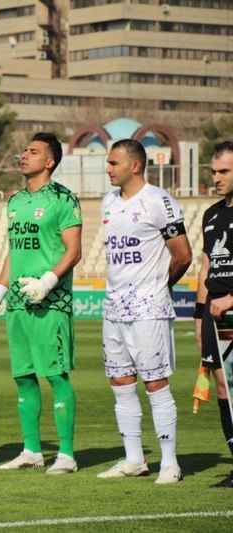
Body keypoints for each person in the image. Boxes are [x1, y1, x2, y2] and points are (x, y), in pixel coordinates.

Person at [0, 132, 82, 474]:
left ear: (50, 161)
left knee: (55, 375)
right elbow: (14, 250)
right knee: (24, 377)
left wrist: (47, 282)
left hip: (51, 303)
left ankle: (66, 454)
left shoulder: (63, 199)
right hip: (19, 305)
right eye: (24, 150)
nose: (24, 155)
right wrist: (0, 289)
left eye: (33, 151)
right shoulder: (15, 201)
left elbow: (74, 251)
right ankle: (32, 451)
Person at [97, 139, 191, 484]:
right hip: (114, 307)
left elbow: (182, 254)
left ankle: (170, 463)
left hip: (148, 308)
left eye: (114, 163)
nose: (108, 168)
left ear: (135, 166)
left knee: (155, 382)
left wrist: (160, 286)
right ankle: (134, 459)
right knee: (120, 381)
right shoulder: (108, 202)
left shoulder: (158, 201)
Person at [196, 140, 233, 488]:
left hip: (231, 306)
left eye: (224, 171)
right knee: (223, 388)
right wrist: (199, 316)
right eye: (213, 172)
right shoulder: (211, 214)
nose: (216, 178)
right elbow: (206, 266)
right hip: (214, 311)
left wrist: (232, 299)